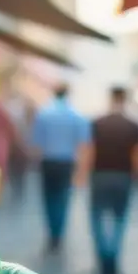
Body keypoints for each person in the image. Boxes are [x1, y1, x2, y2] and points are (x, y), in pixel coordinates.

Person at [75, 86, 138, 274]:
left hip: (100, 175)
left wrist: (81, 175)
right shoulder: (133, 126)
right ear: (125, 99)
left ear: (110, 99)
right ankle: (113, 254)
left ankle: (103, 254)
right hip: (123, 176)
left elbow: (89, 151)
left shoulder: (97, 123)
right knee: (119, 218)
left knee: (97, 216)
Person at [29, 84, 91, 251]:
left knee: (48, 198)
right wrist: (81, 170)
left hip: (48, 161)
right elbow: (83, 144)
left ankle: (52, 232)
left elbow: (36, 143)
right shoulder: (76, 116)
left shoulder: (44, 114)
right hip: (66, 162)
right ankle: (59, 232)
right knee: (63, 198)